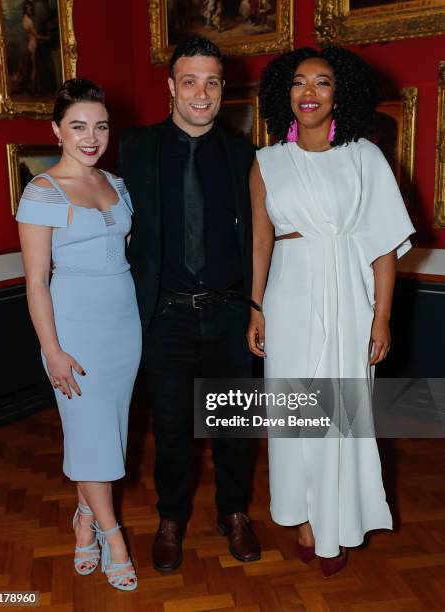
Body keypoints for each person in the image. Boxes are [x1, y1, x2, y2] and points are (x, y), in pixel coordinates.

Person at [247, 47, 415, 577]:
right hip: (288, 293)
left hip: (350, 295)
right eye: (299, 83)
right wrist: (256, 307)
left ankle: (337, 521)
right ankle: (303, 518)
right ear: (285, 94)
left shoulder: (364, 155)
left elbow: (383, 245)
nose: (310, 93)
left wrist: (381, 316)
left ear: (340, 94)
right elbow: (260, 243)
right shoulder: (266, 161)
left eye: (322, 82)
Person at [118, 37, 261, 571]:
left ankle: (234, 513)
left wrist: (255, 307)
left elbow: (260, 238)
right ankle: (171, 519)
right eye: (190, 80)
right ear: (171, 87)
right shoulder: (135, 148)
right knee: (174, 428)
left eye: (212, 82)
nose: (201, 93)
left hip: (227, 312)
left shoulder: (245, 155)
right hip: (166, 315)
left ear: (223, 89)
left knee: (234, 427)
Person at [16, 79, 141, 591]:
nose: (91, 137)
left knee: (110, 434)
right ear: (57, 131)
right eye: (78, 126)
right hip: (75, 330)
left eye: (100, 126)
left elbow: (125, 252)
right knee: (91, 436)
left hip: (124, 326)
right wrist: (52, 351)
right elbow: (35, 281)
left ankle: (84, 516)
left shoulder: (116, 183)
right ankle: (113, 536)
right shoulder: (42, 191)